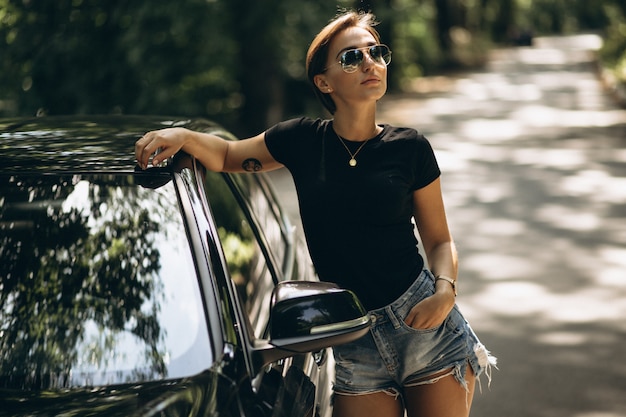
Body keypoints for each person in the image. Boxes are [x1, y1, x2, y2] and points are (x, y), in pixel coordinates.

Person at [136, 10, 496, 417]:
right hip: (350, 333)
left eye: (375, 52)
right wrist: (182, 135)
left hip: (423, 324)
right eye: (351, 57)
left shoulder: (410, 147)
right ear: (323, 82)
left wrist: (445, 291)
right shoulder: (301, 140)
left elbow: (439, 239)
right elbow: (225, 155)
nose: (368, 62)